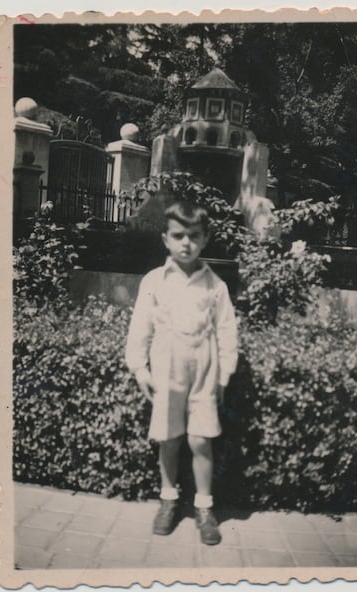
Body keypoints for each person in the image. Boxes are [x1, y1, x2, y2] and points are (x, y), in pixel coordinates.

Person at [125, 200, 238, 545]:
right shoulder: (155, 281)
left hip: (204, 371)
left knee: (200, 439)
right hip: (166, 368)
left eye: (194, 236)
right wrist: (140, 368)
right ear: (166, 239)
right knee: (170, 438)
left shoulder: (215, 286)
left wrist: (224, 375)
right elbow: (140, 327)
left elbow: (226, 331)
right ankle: (168, 499)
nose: (186, 243)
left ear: (205, 240)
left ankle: (204, 507)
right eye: (179, 236)